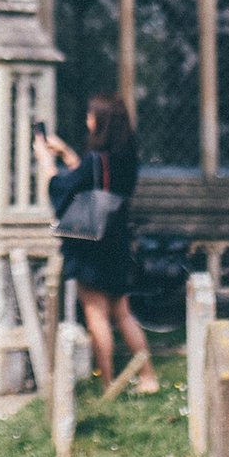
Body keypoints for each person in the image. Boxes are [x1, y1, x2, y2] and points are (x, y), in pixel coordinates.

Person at [37, 95, 161, 394]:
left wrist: (46, 163)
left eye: (92, 116)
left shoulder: (96, 161)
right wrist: (67, 153)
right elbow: (94, 180)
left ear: (100, 122)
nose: (87, 121)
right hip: (116, 242)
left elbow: (62, 188)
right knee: (122, 312)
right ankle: (148, 377)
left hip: (90, 247)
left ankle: (108, 383)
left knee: (96, 314)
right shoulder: (124, 159)